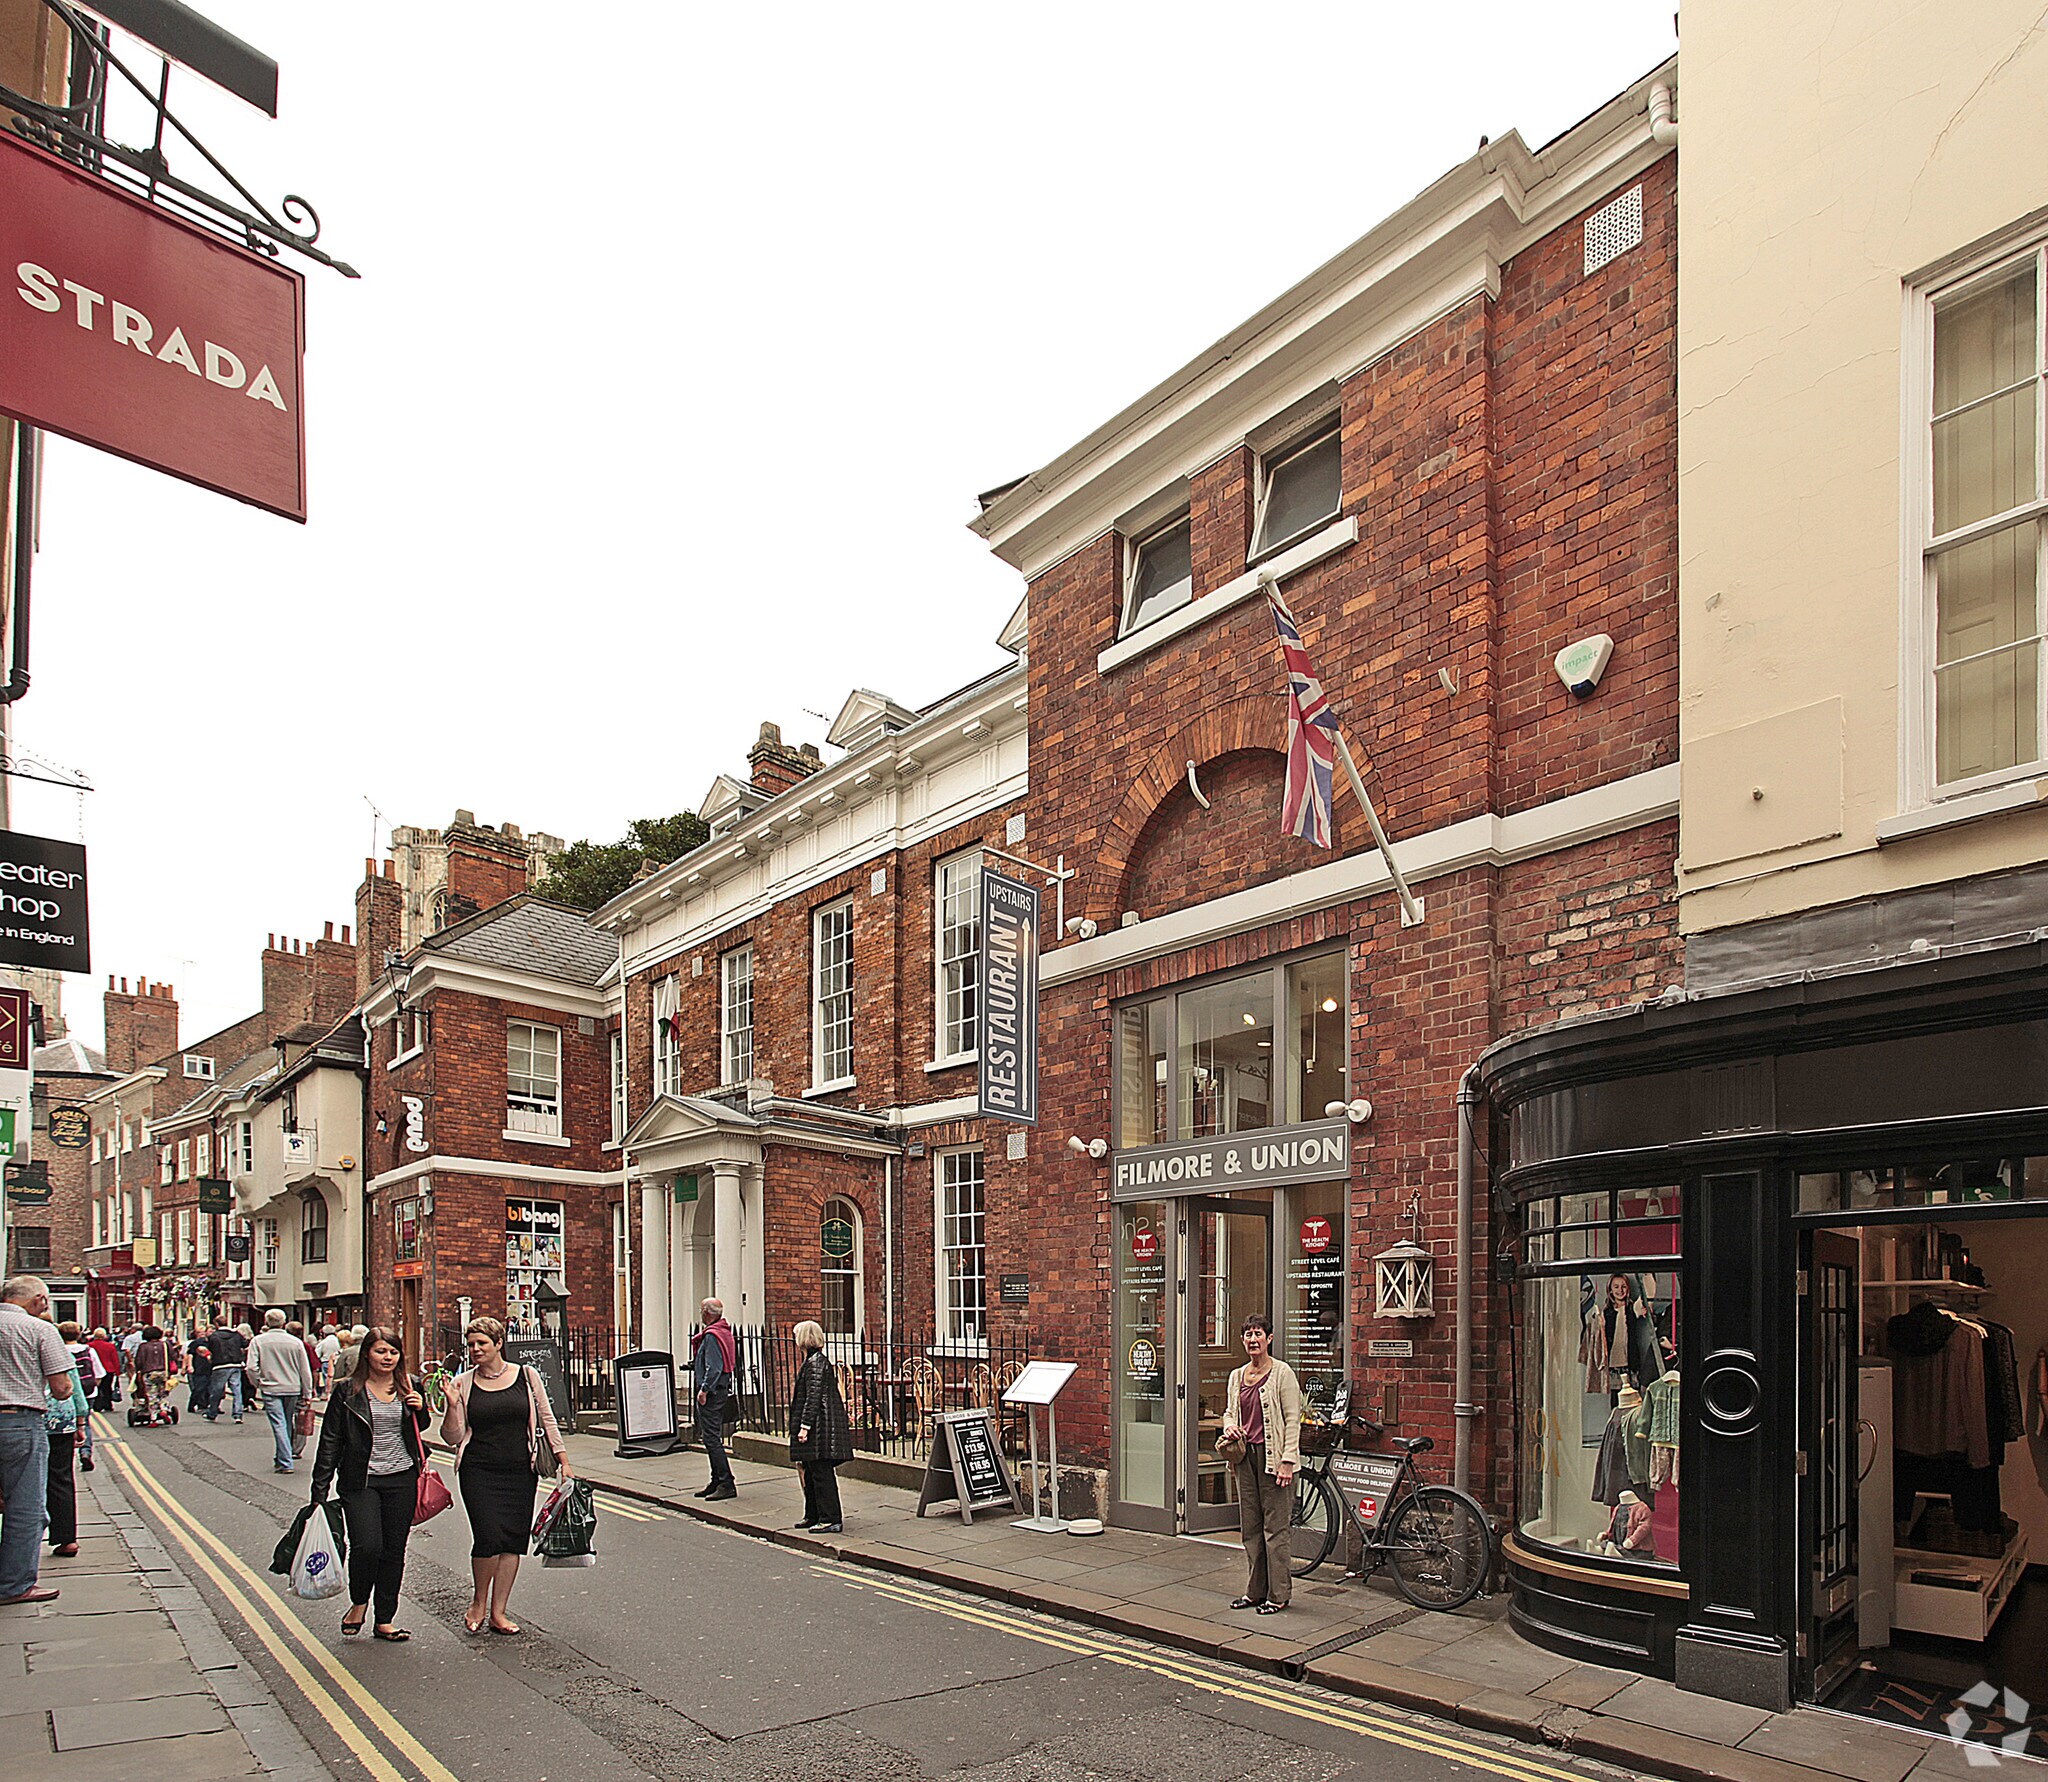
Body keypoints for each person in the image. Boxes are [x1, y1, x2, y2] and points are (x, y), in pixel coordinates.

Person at [438, 1315, 569, 1637]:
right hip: (478, 1470)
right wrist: (452, 1406)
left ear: (499, 1344)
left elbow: (547, 1419)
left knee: (512, 1540)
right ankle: (478, 1602)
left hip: (519, 1470)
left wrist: (564, 1460)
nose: (475, 1350)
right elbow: (452, 1437)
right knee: (487, 1538)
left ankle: (499, 1612)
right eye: (471, 1345)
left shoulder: (526, 1375)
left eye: (482, 1343)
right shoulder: (463, 1382)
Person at [309, 1326, 426, 1641]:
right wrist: (318, 1491)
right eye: (380, 1351)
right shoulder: (347, 1390)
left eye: (393, 1352)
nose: (387, 1357)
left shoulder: (410, 1385)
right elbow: (330, 1440)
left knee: (393, 1550)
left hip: (402, 1478)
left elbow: (419, 1427)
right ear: (367, 1354)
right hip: (360, 1479)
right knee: (367, 1546)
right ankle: (359, 1602)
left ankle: (385, 1618)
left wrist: (420, 1407)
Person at [0, 1276, 79, 1605]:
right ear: (39, 1301)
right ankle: (15, 1585)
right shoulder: (39, 1329)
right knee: (25, 1506)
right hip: (20, 1421)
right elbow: (61, 1388)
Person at [1219, 1313, 1303, 1616]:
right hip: (1245, 1459)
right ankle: (1254, 1592)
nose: (1253, 1340)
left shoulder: (1282, 1373)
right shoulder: (1236, 1376)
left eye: (1258, 1334)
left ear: (1269, 1339)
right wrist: (1229, 1426)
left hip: (1274, 1459)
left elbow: (1293, 1420)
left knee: (1275, 1530)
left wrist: (1287, 1461)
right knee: (1251, 1528)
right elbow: (1229, 1411)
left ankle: (1278, 1595)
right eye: (1248, 1335)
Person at [787, 1320, 853, 1533]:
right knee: (811, 1471)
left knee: (822, 1474)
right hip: (819, 1426)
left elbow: (813, 1397)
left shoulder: (816, 1363)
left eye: (796, 1336)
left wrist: (805, 1426)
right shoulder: (813, 1361)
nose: (794, 1341)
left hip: (820, 1428)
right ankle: (814, 1515)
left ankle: (831, 1518)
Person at [249, 1309, 316, 1474]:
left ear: (266, 1322)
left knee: (279, 1424)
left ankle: (285, 1462)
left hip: (271, 1388)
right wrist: (307, 1393)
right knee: (285, 1423)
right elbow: (305, 1370)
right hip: (292, 1388)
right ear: (284, 1322)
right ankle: (281, 1458)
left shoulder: (258, 1341)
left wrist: (258, 1383)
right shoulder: (295, 1342)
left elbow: (251, 1367)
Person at [45, 1322, 92, 1559]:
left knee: (19, 1482)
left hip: (27, 1417)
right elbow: (73, 1390)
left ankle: (23, 1541)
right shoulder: (55, 1349)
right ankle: (66, 1539)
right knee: (61, 1478)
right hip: (60, 1420)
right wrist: (81, 1422)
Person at [691, 1296, 738, 1500]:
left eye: (702, 1309)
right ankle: (716, 1480)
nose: (700, 1312)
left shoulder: (711, 1335)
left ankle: (726, 1483)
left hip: (712, 1392)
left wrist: (704, 1390)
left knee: (711, 1438)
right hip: (719, 1389)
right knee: (711, 1438)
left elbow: (715, 1367)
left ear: (707, 1313)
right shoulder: (723, 1331)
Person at [205, 1318, 246, 1422]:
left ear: (216, 1324)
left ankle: (212, 1413)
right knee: (237, 1390)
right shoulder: (236, 1335)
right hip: (236, 1364)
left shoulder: (213, 1336)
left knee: (217, 1390)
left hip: (220, 1365)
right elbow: (245, 1344)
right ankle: (238, 1414)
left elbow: (209, 1349)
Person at [131, 1325, 175, 1415]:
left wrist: (137, 1371)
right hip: (164, 1372)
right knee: (163, 1392)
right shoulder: (165, 1344)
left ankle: (153, 1415)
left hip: (149, 1373)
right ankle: (163, 1408)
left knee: (151, 1394)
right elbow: (173, 1356)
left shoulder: (143, 1346)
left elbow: (139, 1361)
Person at [185, 1319, 215, 1416]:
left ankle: (207, 1405)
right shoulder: (195, 1343)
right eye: (200, 1332)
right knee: (199, 1388)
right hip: (199, 1367)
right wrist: (189, 1366)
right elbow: (190, 1355)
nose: (202, 1334)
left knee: (211, 1388)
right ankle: (192, 1404)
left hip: (210, 1368)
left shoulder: (212, 1342)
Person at [87, 1330, 120, 1412]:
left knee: (97, 1387)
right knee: (107, 1387)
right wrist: (117, 1371)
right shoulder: (110, 1346)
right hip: (109, 1369)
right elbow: (114, 1359)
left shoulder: (89, 1346)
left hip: (95, 1369)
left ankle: (97, 1405)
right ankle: (107, 1404)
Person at [314, 1323, 342, 1397]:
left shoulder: (323, 1342)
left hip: (326, 1361)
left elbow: (316, 1354)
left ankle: (328, 1393)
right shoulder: (338, 1340)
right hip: (338, 1361)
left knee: (327, 1378)